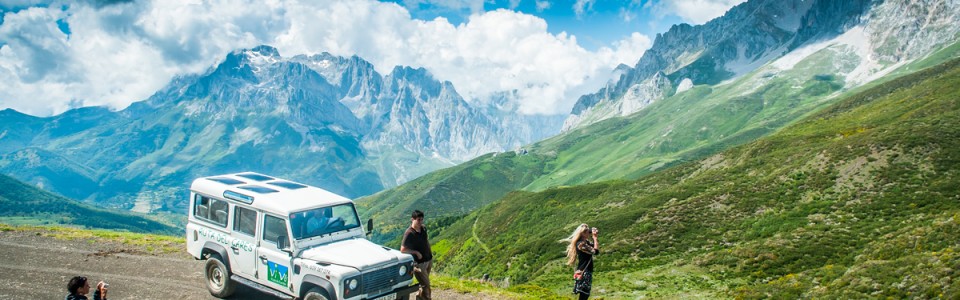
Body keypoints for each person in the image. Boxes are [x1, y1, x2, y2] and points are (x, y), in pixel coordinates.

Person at [400, 210, 433, 300]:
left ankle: (419, 297)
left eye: (422, 219)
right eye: (418, 220)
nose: (420, 222)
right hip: (419, 264)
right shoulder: (409, 233)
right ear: (412, 219)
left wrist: (430, 252)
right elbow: (403, 249)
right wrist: (416, 252)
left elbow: (426, 241)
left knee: (423, 284)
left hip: (428, 260)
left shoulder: (423, 228)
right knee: (426, 286)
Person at [564, 223, 599, 300]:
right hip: (584, 272)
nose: (588, 233)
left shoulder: (585, 242)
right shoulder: (581, 244)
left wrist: (592, 232)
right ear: (582, 233)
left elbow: (593, 246)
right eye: (587, 232)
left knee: (585, 294)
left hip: (584, 271)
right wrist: (595, 238)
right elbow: (595, 251)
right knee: (584, 295)